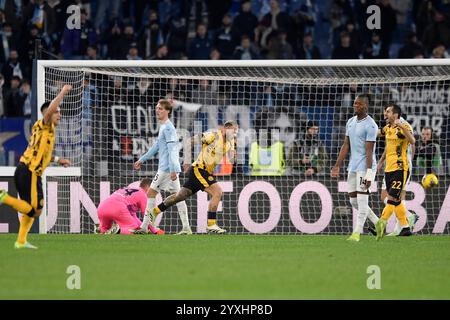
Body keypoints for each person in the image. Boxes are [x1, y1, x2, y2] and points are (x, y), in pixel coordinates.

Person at [0, 85, 72, 249]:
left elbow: (43, 154)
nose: (59, 114)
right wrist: (62, 92)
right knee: (35, 210)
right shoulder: (44, 124)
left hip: (29, 171)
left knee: (35, 210)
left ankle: (21, 241)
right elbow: (49, 110)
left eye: (59, 111)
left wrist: (59, 160)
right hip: (29, 171)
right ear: (48, 113)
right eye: (56, 111)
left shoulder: (48, 131)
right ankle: (4, 197)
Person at [149, 121, 238, 234]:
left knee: (180, 196)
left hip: (206, 172)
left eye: (236, 132)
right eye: (234, 130)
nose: (235, 134)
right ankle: (211, 224)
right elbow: (189, 141)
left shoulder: (230, 143)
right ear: (226, 128)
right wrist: (186, 161)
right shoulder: (213, 135)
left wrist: (233, 155)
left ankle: (155, 211)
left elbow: (231, 160)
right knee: (218, 192)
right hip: (199, 169)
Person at [132, 99, 192, 235]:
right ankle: (186, 228)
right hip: (169, 168)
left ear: (167, 111)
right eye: (156, 108)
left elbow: (172, 149)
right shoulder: (164, 126)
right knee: (178, 196)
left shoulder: (169, 128)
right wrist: (142, 159)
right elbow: (157, 146)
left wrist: (173, 169)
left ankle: (144, 227)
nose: (157, 110)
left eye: (160, 108)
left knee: (151, 193)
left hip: (166, 169)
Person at [331, 94, 379, 242]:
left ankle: (357, 233)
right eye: (354, 103)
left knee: (362, 200)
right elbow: (346, 145)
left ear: (365, 106)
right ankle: (379, 223)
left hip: (366, 167)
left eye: (358, 104)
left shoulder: (371, 125)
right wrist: (337, 165)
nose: (355, 106)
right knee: (353, 201)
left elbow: (369, 150)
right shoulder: (350, 122)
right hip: (353, 166)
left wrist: (370, 174)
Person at [375, 104, 415, 240]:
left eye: (388, 112)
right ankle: (405, 227)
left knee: (391, 198)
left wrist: (402, 126)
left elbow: (413, 140)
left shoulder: (403, 127)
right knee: (396, 200)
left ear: (395, 114)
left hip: (400, 168)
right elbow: (377, 134)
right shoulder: (388, 128)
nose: (385, 114)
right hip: (388, 169)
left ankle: (381, 223)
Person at [96, 178, 161, 235]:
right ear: (148, 187)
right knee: (133, 229)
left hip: (102, 207)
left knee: (105, 230)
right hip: (117, 207)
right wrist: (154, 232)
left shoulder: (130, 190)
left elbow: (134, 217)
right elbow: (147, 215)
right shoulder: (143, 195)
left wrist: (144, 229)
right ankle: (118, 231)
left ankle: (100, 229)